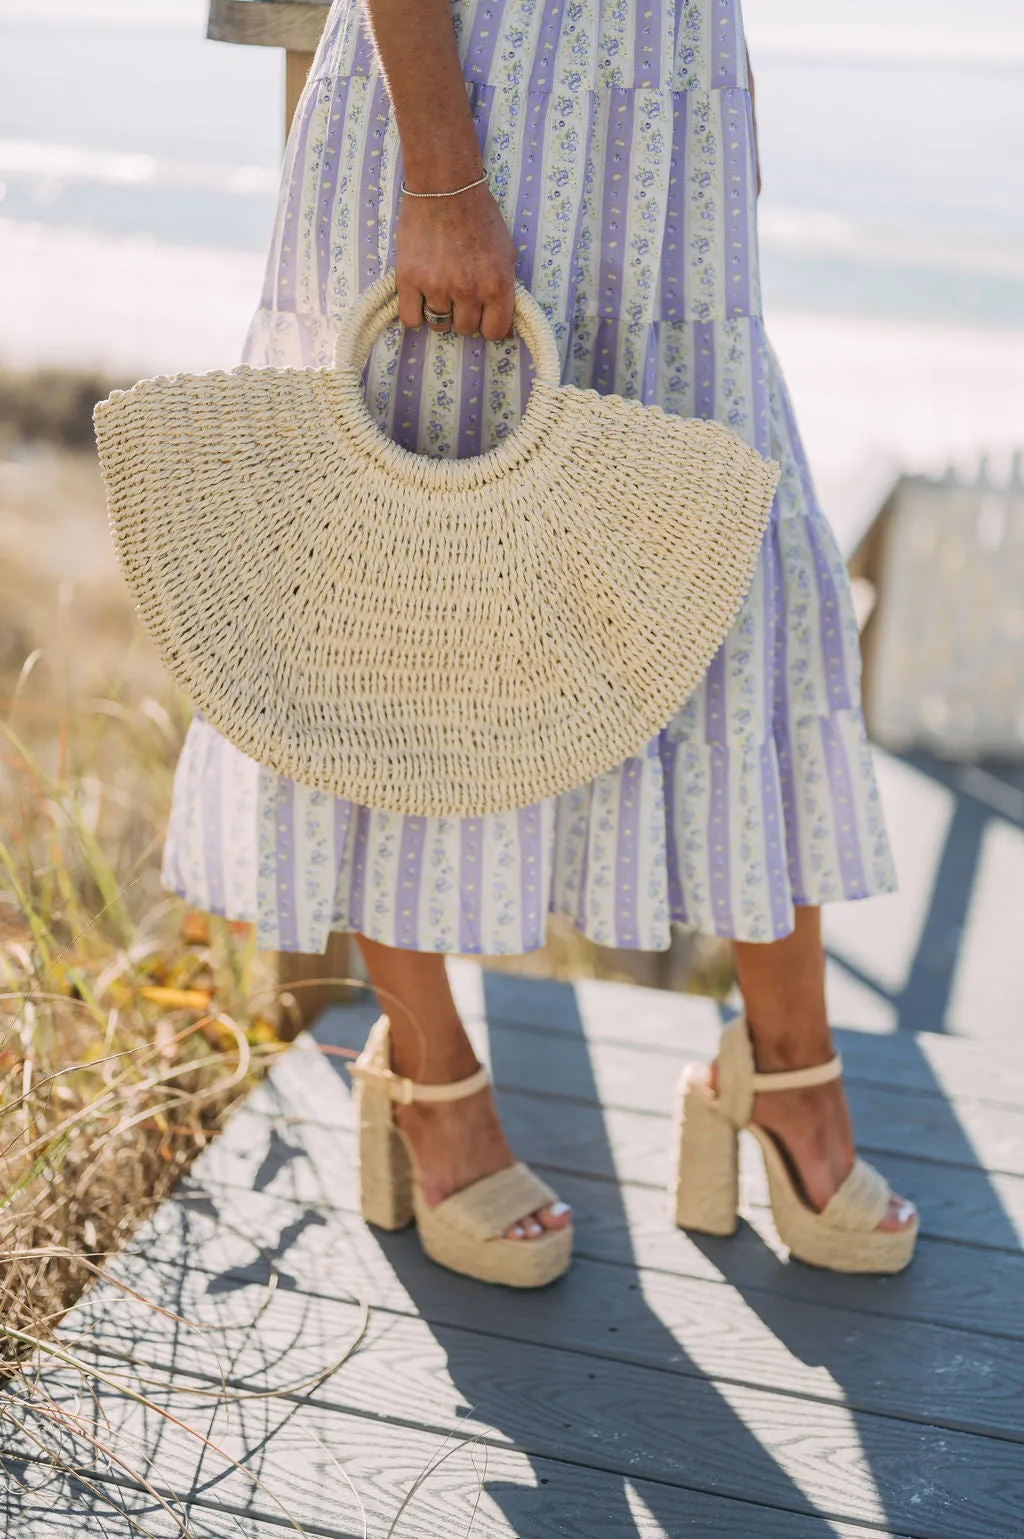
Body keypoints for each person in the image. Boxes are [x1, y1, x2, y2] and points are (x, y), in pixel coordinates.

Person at [162, 0, 918, 1284]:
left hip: (667, 143)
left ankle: (789, 1069)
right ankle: (429, 1072)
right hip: (472, 118)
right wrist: (443, 176)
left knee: (743, 597)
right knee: (396, 598)